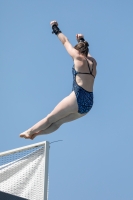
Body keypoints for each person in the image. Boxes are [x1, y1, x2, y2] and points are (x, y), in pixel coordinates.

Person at [20, 20, 97, 140]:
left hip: (78, 96)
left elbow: (65, 41)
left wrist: (55, 27)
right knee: (58, 123)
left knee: (50, 118)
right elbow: (87, 51)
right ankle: (36, 134)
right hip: (88, 104)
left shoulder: (77, 57)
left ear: (78, 50)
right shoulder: (93, 63)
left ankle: (30, 131)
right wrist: (81, 40)